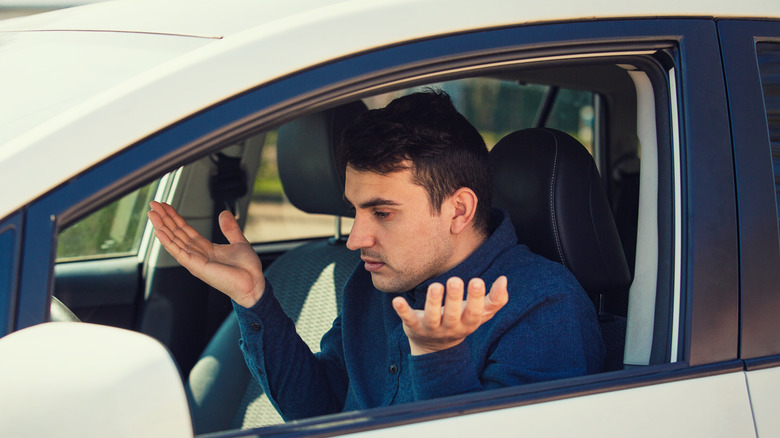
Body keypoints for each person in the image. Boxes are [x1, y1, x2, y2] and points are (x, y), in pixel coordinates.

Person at [148, 90, 604, 421]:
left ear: (458, 210)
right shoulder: (373, 285)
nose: (355, 239)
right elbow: (320, 411)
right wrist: (254, 299)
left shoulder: (545, 306)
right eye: (355, 211)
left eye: (382, 212)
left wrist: (437, 358)